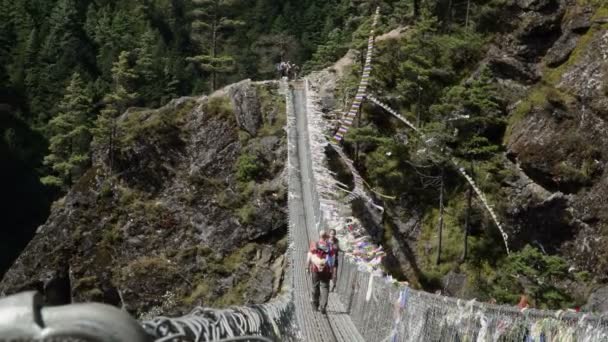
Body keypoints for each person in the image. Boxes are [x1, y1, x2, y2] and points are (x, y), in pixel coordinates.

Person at [306, 230, 336, 314]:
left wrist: (307, 267)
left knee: (315, 286)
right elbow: (333, 260)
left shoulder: (314, 244)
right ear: (326, 237)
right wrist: (332, 271)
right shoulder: (330, 246)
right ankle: (323, 306)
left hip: (315, 269)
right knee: (325, 287)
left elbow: (309, 256)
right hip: (326, 269)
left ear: (319, 236)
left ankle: (315, 305)